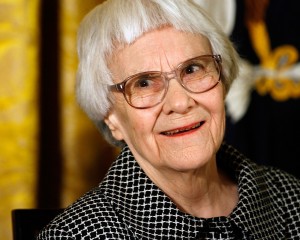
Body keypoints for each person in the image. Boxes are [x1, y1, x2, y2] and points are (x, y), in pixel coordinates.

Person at [38, 0, 300, 239]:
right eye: (143, 83)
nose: (180, 102)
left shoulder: (291, 199)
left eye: (192, 69)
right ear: (111, 117)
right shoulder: (75, 235)